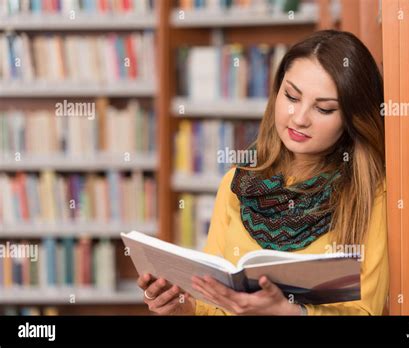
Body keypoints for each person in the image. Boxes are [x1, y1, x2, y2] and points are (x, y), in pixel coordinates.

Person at [137, 30, 388, 315]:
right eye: (292, 96)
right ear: (277, 91)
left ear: (351, 118)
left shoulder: (371, 195)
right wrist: (182, 307)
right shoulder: (236, 184)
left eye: (324, 109)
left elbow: (367, 311)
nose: (300, 118)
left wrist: (291, 312)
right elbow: (211, 307)